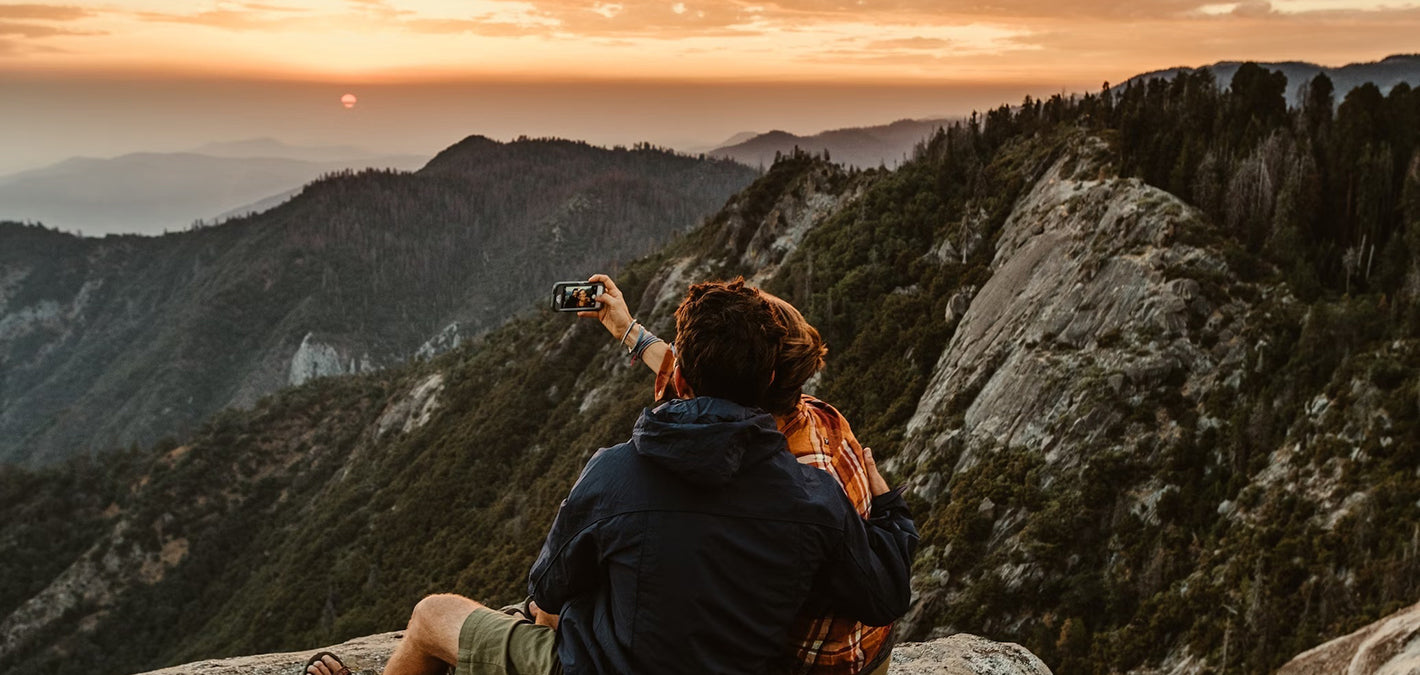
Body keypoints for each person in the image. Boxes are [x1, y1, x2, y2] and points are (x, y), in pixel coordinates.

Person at [307, 278, 917, 675]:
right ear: (777, 393)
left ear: (683, 379)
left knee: (433, 613)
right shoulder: (815, 496)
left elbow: (547, 593)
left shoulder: (615, 472)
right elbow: (883, 595)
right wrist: (888, 510)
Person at [579, 274, 896, 674]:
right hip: (867, 648)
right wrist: (630, 331)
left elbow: (700, 386)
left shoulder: (789, 475)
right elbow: (701, 377)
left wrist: (892, 511)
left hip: (815, 664)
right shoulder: (816, 413)